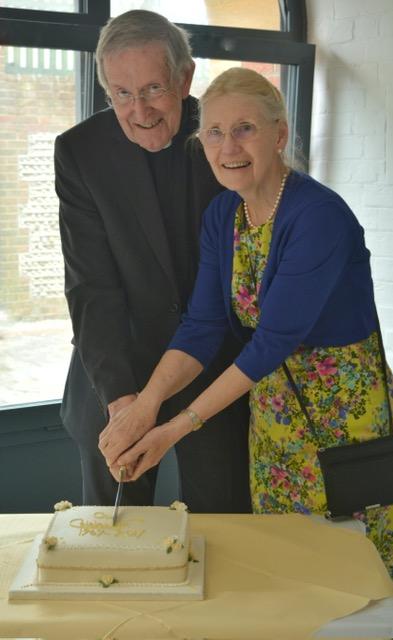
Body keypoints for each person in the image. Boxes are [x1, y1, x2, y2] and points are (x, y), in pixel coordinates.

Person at [99, 67, 393, 581]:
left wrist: (173, 428)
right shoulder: (223, 215)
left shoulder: (317, 215)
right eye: (213, 131)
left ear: (279, 135)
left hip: (345, 418)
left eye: (245, 128)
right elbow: (202, 326)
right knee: (286, 566)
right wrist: (144, 406)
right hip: (275, 417)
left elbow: (272, 342)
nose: (227, 146)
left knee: (354, 577)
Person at [56, 10, 252, 513]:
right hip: (115, 377)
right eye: (122, 94)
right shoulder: (79, 152)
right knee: (113, 539)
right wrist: (121, 403)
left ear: (184, 78)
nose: (139, 110)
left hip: (214, 381)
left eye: (153, 89)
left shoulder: (225, 139)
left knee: (220, 535)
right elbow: (91, 287)